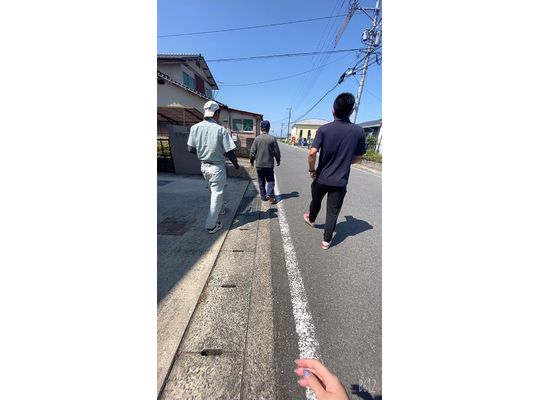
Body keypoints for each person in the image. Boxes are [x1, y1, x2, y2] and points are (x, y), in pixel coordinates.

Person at [303, 92, 366, 249]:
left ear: (333, 109)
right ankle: (326, 241)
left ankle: (311, 219)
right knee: (333, 211)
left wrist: (311, 170)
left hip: (321, 178)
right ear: (352, 111)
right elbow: (358, 157)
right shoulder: (359, 132)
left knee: (316, 201)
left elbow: (312, 153)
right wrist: (344, 162)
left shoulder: (324, 129)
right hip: (340, 180)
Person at [187, 100, 240, 234]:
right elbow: (230, 152)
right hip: (217, 167)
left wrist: (203, 152)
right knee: (216, 194)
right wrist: (236, 165)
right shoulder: (220, 130)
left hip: (204, 166)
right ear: (217, 113)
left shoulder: (195, 128)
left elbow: (190, 148)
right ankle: (211, 225)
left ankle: (221, 209)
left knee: (213, 190)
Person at [250, 120, 281, 204]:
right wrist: (278, 160)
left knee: (261, 181)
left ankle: (263, 197)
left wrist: (251, 161)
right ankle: (269, 194)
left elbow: (252, 152)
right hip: (269, 165)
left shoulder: (257, 139)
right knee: (270, 181)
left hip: (259, 165)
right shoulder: (272, 138)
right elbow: (277, 152)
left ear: (261, 128)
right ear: (269, 128)